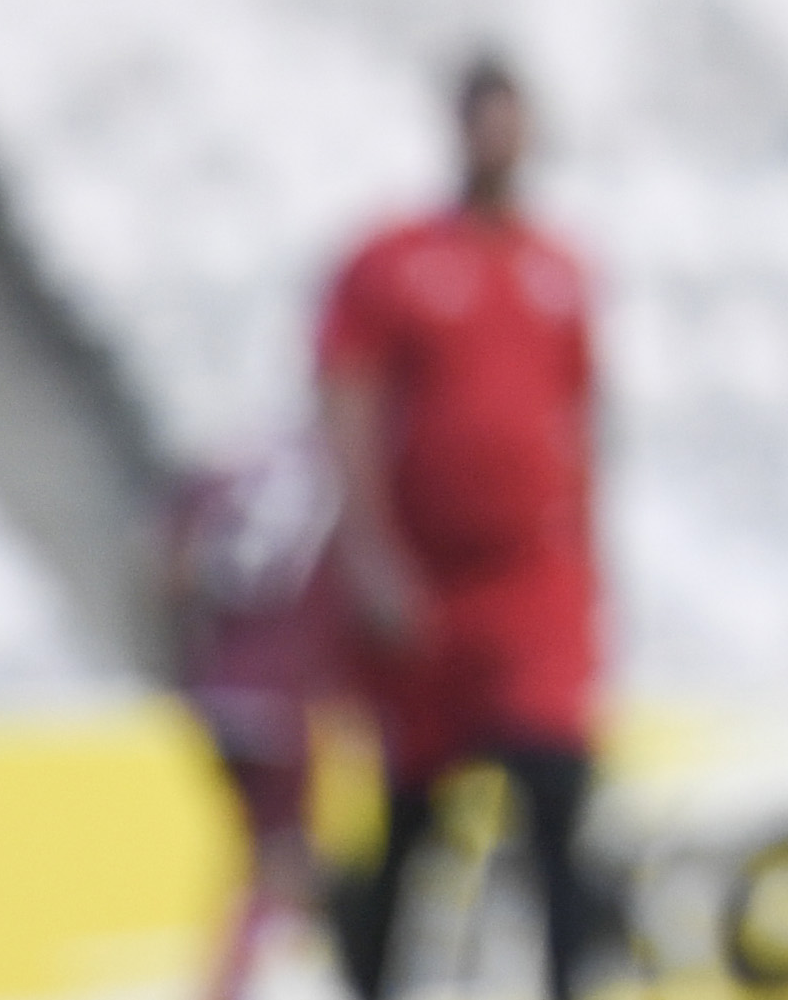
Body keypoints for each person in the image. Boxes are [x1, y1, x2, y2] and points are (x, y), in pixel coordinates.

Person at [318, 51, 607, 998]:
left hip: (532, 583)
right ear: (459, 128)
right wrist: (369, 552)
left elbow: (583, 424)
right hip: (427, 586)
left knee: (556, 792)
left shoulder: (560, 269)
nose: (500, 139)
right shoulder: (394, 261)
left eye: (513, 120)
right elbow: (349, 400)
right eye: (485, 119)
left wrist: (590, 571)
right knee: (412, 822)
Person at [166, 429, 347, 1000]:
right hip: (282, 695)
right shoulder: (334, 471)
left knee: (267, 857)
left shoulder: (224, 469)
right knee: (286, 859)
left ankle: (236, 979)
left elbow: (170, 571)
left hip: (218, 689)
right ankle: (233, 986)